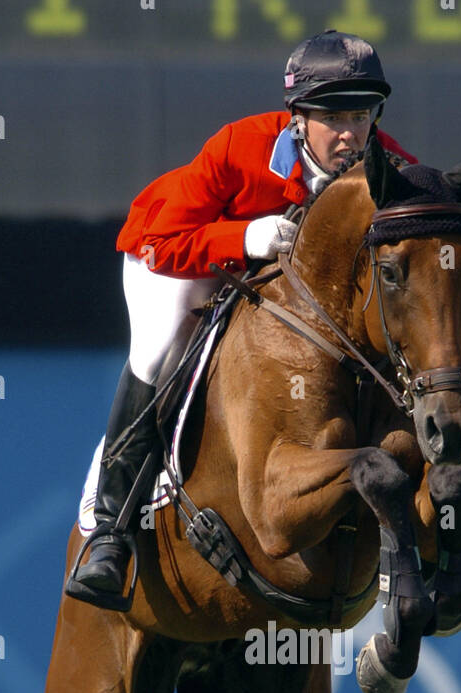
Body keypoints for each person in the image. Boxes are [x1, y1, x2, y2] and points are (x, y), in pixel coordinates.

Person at [68, 29, 416, 608]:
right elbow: (162, 242)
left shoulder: (388, 164)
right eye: (333, 117)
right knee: (160, 349)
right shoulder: (241, 147)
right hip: (184, 254)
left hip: (291, 289)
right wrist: (245, 237)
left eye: (361, 116)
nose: (350, 133)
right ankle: (111, 530)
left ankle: (444, 538)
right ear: (298, 119)